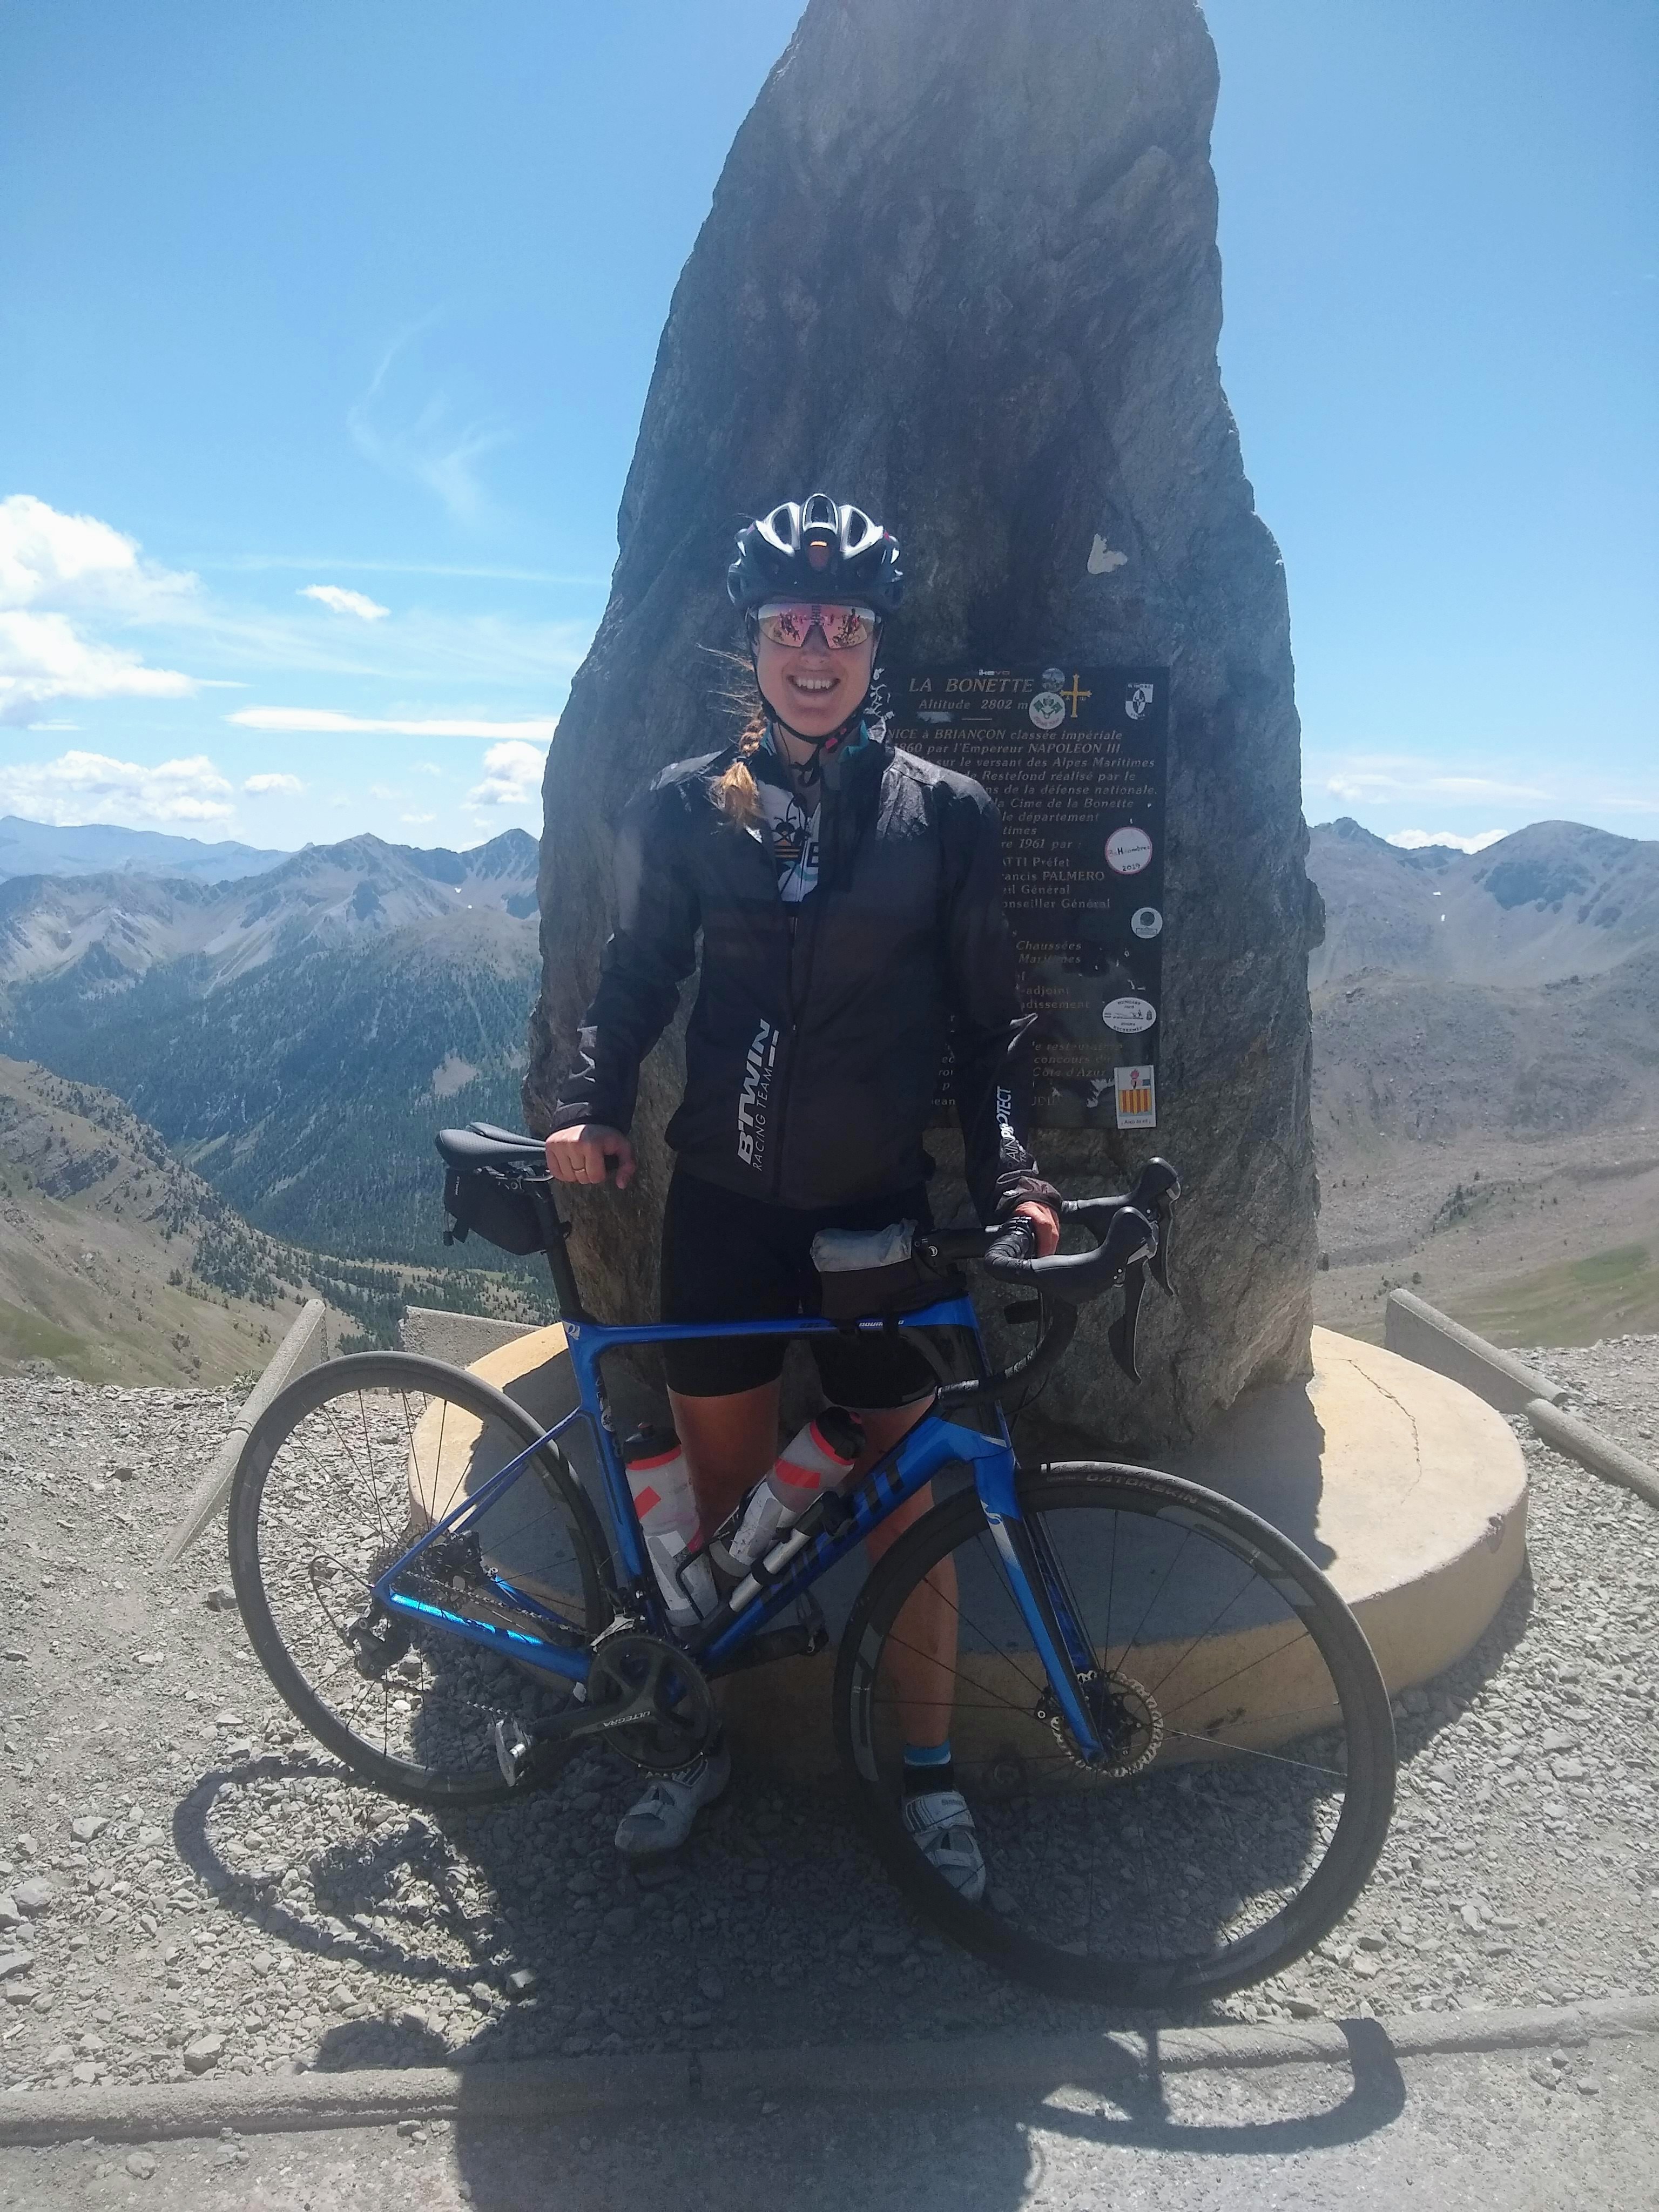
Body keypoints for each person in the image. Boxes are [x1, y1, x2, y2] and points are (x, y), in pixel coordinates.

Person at [545, 493, 1060, 1891]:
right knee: (722, 1510)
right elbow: (635, 980)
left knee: (912, 1506)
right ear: (756, 644)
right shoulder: (684, 807)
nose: (815, 647)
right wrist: (593, 1104)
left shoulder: (946, 818)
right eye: (790, 624)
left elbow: (991, 1030)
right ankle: (697, 1743)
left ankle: (929, 1777)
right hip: (721, 1210)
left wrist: (1012, 1169)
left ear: (875, 642)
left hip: (874, 1218)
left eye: (842, 622)